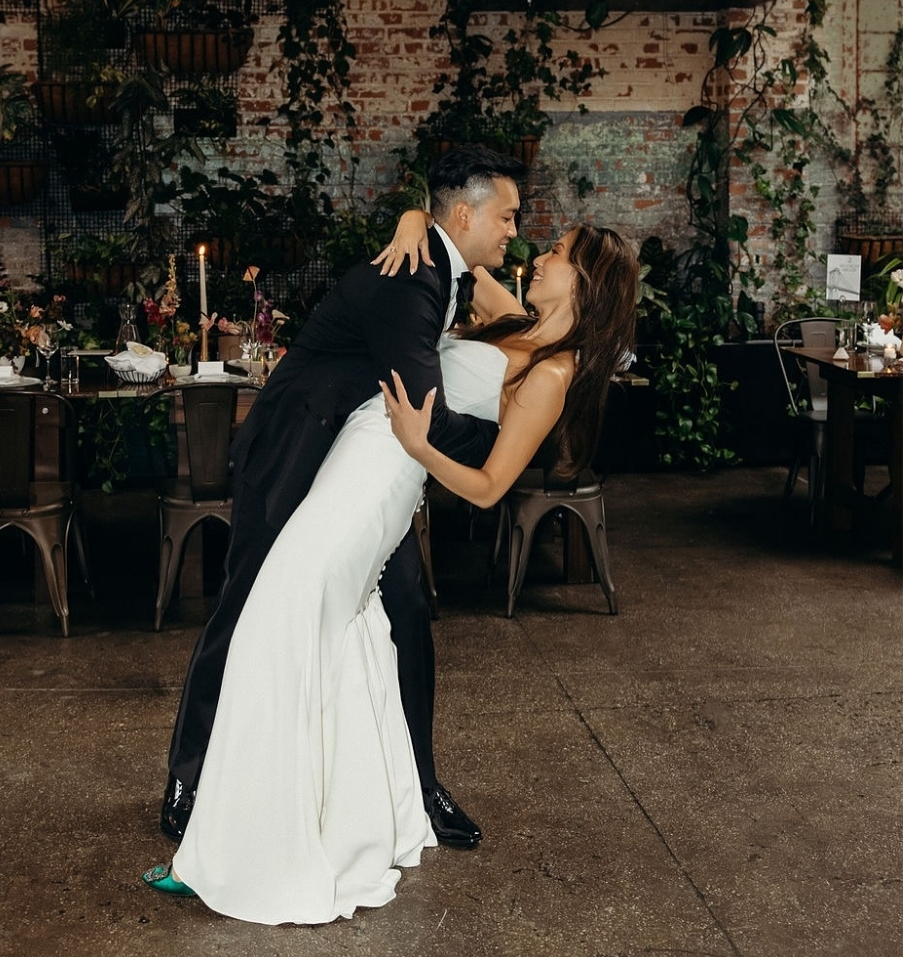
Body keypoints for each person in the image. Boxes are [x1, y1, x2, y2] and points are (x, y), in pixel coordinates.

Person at [149, 216, 641, 923]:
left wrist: (419, 444)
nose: (537, 256)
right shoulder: (509, 318)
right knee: (322, 634)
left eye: (557, 255)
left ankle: (251, 841)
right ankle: (329, 817)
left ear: (585, 281)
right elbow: (454, 248)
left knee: (280, 621)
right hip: (348, 459)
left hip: (379, 481)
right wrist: (414, 217)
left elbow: (491, 485)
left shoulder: (551, 374)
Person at [159, 147, 526, 859]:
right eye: (507, 216)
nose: (515, 230)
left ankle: (420, 786)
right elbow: (428, 415)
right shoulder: (414, 279)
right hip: (293, 445)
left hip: (357, 465)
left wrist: (416, 214)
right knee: (246, 598)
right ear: (464, 213)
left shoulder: (447, 268)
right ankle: (189, 776)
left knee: (410, 612)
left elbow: (522, 319)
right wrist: (517, 436)